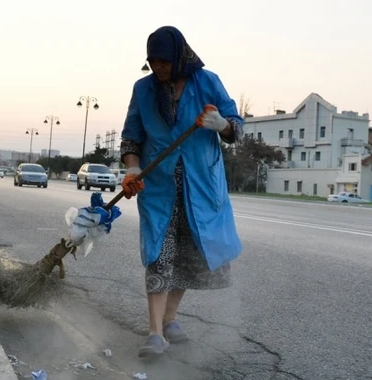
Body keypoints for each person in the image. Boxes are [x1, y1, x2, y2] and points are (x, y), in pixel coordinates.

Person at [120, 25, 244, 358]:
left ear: (178, 56)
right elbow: (132, 137)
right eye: (152, 61)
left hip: (201, 186)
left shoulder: (208, 82)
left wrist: (222, 124)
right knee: (160, 255)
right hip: (158, 187)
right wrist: (132, 169)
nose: (158, 67)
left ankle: (171, 318)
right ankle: (155, 333)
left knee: (191, 257)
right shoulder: (143, 89)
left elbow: (237, 126)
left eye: (164, 61)